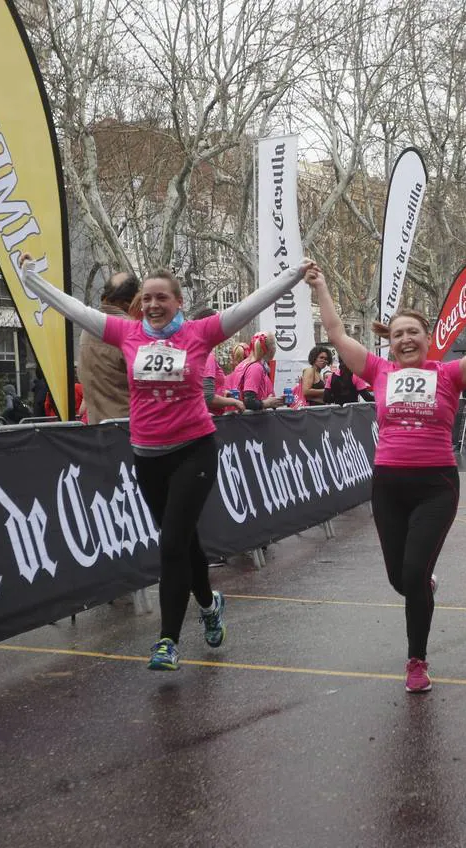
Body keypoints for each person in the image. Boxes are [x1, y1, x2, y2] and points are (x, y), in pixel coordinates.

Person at [20, 253, 306, 671]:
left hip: (195, 450)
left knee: (171, 543)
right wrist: (33, 280)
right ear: (140, 304)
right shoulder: (126, 332)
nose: (153, 305)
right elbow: (74, 310)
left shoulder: (199, 333)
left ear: (178, 301)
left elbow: (249, 305)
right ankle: (209, 605)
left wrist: (293, 274)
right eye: (147, 299)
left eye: (162, 299)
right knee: (184, 542)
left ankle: (167, 641)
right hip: (148, 456)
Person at [306, 261, 466, 693]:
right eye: (397, 334)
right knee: (401, 579)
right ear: (389, 344)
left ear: (429, 340)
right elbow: (336, 335)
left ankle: (416, 660)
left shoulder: (448, 374)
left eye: (414, 332)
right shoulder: (379, 372)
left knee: (411, 575)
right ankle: (421, 583)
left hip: (436, 487)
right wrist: (322, 287)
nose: (406, 339)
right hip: (388, 485)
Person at [79, 272, 140, 424]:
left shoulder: (87, 330)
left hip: (96, 429)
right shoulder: (132, 331)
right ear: (131, 301)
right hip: (129, 428)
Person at [189, 308, 245, 416]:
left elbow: (200, 391)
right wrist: (234, 402)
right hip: (209, 420)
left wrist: (223, 394)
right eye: (219, 325)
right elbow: (208, 397)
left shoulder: (194, 352)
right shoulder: (207, 357)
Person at [233, 333, 285, 411]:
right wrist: (267, 403)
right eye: (275, 345)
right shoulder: (256, 367)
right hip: (251, 421)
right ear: (271, 350)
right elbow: (249, 402)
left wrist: (274, 401)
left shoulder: (244, 365)